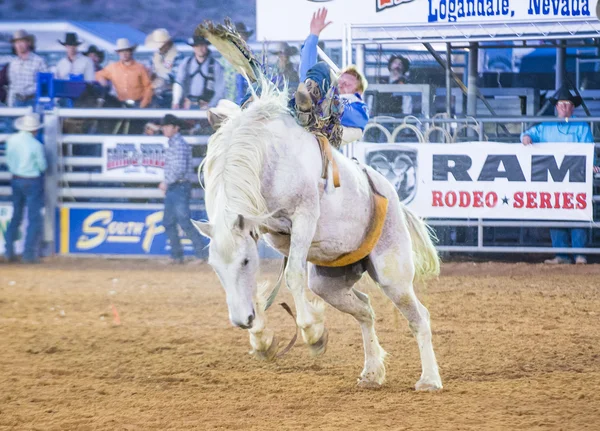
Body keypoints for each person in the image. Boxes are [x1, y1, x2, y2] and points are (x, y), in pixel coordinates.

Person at [521, 86, 599, 265]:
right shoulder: (545, 127)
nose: (565, 107)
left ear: (573, 108)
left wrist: (590, 165)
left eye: (568, 104)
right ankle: (562, 254)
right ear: (556, 107)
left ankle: (580, 254)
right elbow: (527, 134)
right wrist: (525, 137)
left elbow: (589, 149)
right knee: (556, 212)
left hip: (575, 178)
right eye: (562, 104)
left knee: (578, 213)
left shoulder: (581, 127)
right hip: (554, 180)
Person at [295, 7, 369, 147]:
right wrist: (313, 35)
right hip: (310, 113)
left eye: (348, 84)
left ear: (358, 91)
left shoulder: (359, 108)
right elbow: (307, 72)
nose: (342, 85)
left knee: (322, 68)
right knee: (315, 73)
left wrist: (329, 102)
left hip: (325, 125)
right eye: (341, 82)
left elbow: (356, 119)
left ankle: (312, 109)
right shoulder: (324, 87)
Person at [159, 114, 205, 264]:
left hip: (178, 186)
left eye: (167, 126)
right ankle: (178, 255)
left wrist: (166, 182)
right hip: (177, 186)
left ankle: (197, 254)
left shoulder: (178, 144)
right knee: (171, 221)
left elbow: (178, 168)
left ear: (175, 128)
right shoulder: (176, 143)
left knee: (181, 221)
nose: (164, 129)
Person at [4, 113, 47, 264]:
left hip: (16, 179)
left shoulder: (12, 141)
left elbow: (9, 160)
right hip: (32, 180)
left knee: (16, 215)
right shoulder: (36, 145)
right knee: (34, 217)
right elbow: (43, 166)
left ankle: (9, 250)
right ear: (34, 130)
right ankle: (28, 254)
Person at [95, 38, 153, 108]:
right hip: (120, 104)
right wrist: (102, 80)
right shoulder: (113, 68)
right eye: (121, 51)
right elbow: (98, 74)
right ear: (118, 53)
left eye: (126, 51)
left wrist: (143, 104)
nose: (124, 54)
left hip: (138, 103)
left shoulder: (140, 68)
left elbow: (148, 87)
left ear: (131, 52)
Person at [172, 35, 225, 110]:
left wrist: (211, 106)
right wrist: (176, 102)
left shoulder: (215, 66)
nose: (200, 49)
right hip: (187, 105)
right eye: (197, 46)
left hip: (207, 106)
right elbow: (179, 82)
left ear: (207, 46)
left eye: (202, 45)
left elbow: (220, 89)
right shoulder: (186, 63)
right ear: (193, 47)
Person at [7, 30, 48, 107]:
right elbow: (12, 86)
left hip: (33, 101)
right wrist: (10, 105)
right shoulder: (13, 63)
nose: (19, 45)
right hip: (17, 101)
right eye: (16, 42)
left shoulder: (39, 61)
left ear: (28, 43)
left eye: (21, 41)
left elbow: (45, 84)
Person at [145, 28, 181, 108]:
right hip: (154, 94)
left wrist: (162, 79)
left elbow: (178, 75)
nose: (159, 48)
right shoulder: (153, 57)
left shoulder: (177, 56)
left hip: (171, 94)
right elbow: (148, 71)